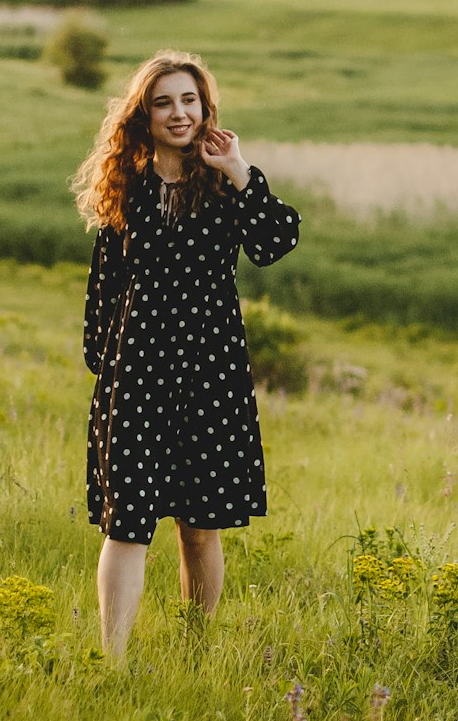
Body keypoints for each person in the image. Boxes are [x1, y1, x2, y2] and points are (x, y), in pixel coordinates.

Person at [73, 50, 300, 655]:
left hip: (211, 376)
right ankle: (112, 664)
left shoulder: (227, 186)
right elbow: (103, 288)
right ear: (143, 115)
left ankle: (194, 652)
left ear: (206, 109)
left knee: (200, 530)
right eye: (164, 102)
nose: (179, 113)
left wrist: (239, 169)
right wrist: (108, 368)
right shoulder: (125, 189)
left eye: (189, 101)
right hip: (137, 377)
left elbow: (277, 241)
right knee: (127, 526)